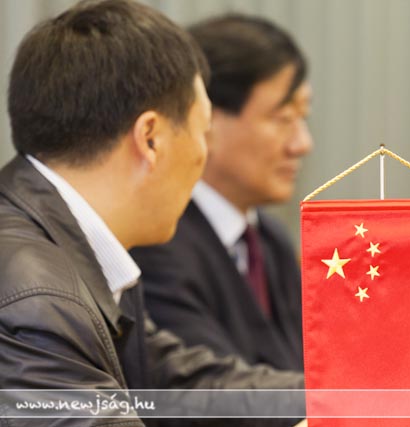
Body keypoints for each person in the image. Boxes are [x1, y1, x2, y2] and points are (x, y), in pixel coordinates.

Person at [0, 0, 303, 424]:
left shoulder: (79, 256)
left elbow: (176, 385)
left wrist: (350, 399)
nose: (202, 155)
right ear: (151, 139)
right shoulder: (37, 297)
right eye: (203, 132)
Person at [130, 14, 312, 371]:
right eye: (283, 119)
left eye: (303, 117)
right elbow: (209, 388)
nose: (302, 144)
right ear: (206, 120)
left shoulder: (271, 240)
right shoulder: (156, 244)